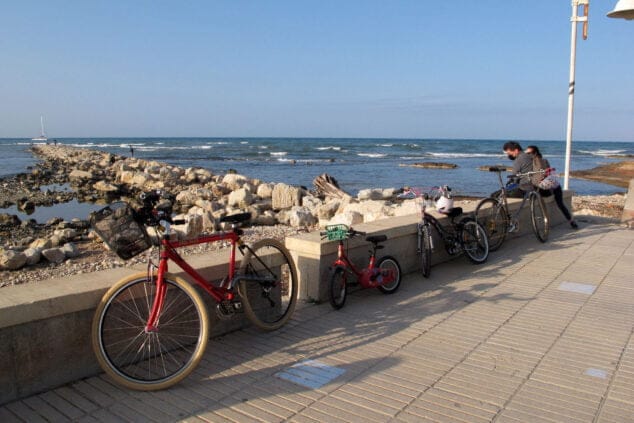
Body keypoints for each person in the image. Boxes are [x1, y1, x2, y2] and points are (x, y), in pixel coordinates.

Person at [525, 145, 578, 229]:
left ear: (534, 153)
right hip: (550, 186)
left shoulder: (538, 161)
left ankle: (571, 221)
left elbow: (541, 174)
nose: (527, 155)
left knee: (560, 204)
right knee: (559, 204)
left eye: (528, 153)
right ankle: (571, 222)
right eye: (526, 153)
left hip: (551, 187)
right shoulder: (537, 161)